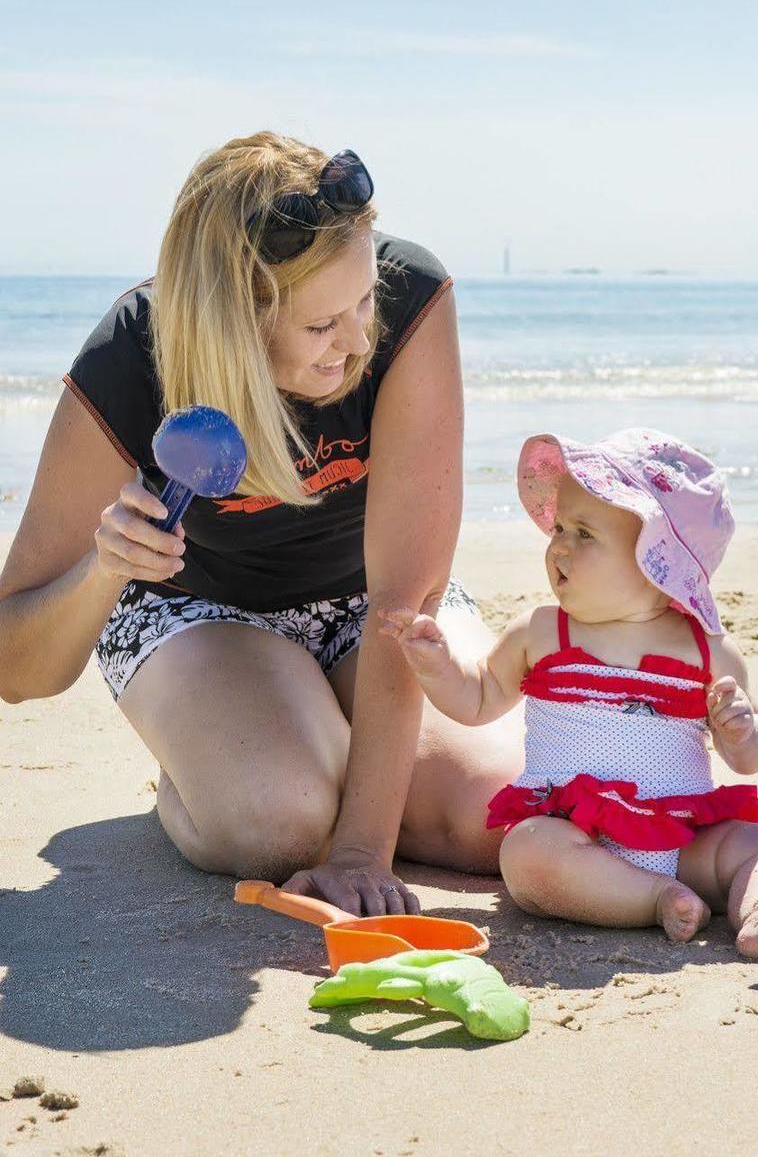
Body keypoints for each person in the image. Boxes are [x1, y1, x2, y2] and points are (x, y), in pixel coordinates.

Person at [0, 132, 520, 915]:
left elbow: (402, 599)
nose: (357, 344)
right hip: (199, 611)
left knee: (493, 816)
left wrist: (361, 853)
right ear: (234, 320)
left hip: (370, 598)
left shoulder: (412, 297)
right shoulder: (133, 353)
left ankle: (299, 732)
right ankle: (210, 773)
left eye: (363, 302)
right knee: (280, 826)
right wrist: (105, 567)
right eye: (320, 328)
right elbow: (17, 667)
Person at [385, 428, 758, 967]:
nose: (559, 544)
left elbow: (748, 761)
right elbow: (477, 699)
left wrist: (743, 728)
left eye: (584, 533)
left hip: (682, 834)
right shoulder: (541, 632)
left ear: (659, 561)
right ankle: (650, 899)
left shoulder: (708, 652)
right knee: (526, 853)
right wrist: (437, 665)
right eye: (558, 527)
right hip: (577, 838)